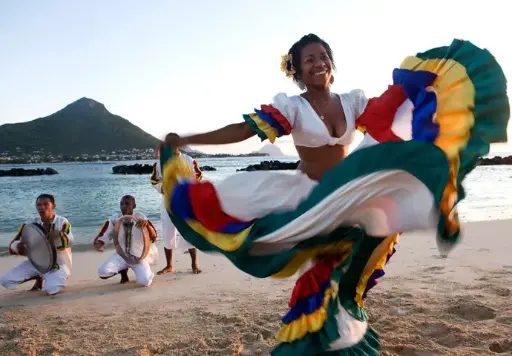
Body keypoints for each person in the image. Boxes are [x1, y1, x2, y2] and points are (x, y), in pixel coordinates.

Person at [159, 34, 509, 355]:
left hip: (350, 194)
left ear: (332, 63)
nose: (318, 63)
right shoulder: (292, 107)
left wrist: (426, 92)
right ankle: (329, 337)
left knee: (361, 257)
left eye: (323, 56)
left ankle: (337, 330)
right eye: (309, 59)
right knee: (328, 269)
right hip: (310, 199)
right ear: (296, 69)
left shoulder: (352, 101)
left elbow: (389, 113)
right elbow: (243, 130)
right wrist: (190, 140)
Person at [0, 194, 74, 295]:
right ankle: (39, 277)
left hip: (58, 265)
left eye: (46, 204)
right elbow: (13, 245)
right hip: (36, 264)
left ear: (53, 206)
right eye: (39, 205)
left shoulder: (62, 222)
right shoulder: (30, 223)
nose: (42, 207)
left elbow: (69, 241)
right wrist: (18, 247)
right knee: (5, 281)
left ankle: (49, 278)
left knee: (52, 290)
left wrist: (56, 235)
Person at [150, 136, 203, 275]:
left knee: (189, 231)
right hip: (168, 203)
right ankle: (169, 266)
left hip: (185, 203)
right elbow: (154, 181)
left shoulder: (189, 160)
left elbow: (198, 175)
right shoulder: (159, 163)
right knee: (168, 233)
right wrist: (162, 187)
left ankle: (194, 264)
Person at [93, 195, 158, 287]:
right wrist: (101, 241)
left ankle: (144, 271)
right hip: (122, 256)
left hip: (138, 257)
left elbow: (154, 236)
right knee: (103, 273)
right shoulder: (115, 218)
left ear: (134, 206)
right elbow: (107, 231)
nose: (124, 206)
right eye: (122, 204)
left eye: (127, 204)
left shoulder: (141, 218)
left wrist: (146, 225)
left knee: (145, 282)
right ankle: (123, 271)